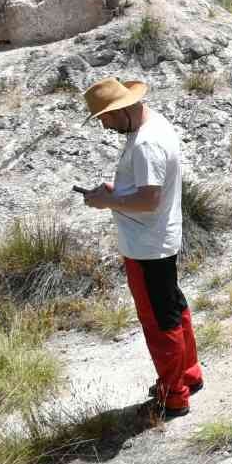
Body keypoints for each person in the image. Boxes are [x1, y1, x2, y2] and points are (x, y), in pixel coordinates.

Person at [80, 78, 202, 422]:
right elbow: (147, 190)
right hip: (159, 239)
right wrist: (115, 192)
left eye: (104, 117)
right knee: (175, 310)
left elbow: (149, 200)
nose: (104, 125)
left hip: (147, 246)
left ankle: (174, 395)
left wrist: (107, 202)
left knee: (159, 322)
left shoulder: (146, 143)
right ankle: (188, 375)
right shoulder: (154, 124)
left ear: (121, 110)